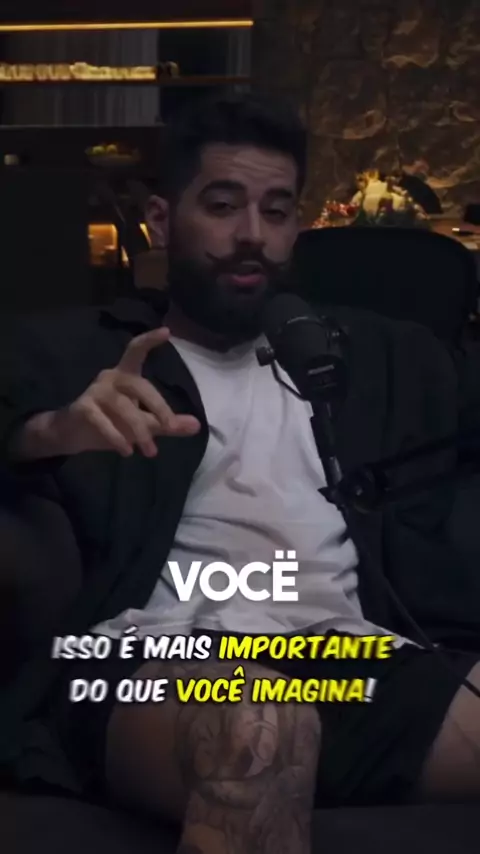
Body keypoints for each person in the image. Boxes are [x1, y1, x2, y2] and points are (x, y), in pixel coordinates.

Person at [1, 93, 480, 854]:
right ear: (162, 220)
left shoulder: (377, 357)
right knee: (258, 724)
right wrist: (46, 432)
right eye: (222, 206)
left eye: (276, 211)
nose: (252, 234)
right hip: (163, 660)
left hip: (351, 659)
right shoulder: (81, 352)